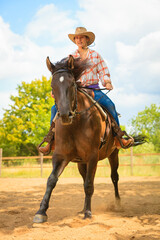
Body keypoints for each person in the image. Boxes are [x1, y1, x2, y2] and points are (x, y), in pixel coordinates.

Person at [39, 27, 133, 154]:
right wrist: (58, 91)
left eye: (81, 37)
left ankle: (118, 137)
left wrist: (107, 82)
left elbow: (103, 70)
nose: (79, 40)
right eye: (76, 38)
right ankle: (51, 140)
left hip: (93, 89)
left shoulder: (95, 55)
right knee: (54, 109)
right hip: (76, 90)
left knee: (110, 105)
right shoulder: (71, 57)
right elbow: (64, 77)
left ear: (87, 39)